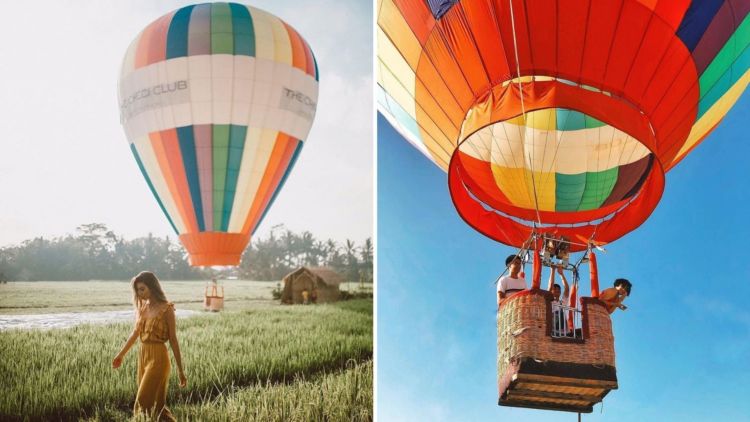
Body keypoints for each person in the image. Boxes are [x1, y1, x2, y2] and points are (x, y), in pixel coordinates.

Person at [112, 271, 187, 421]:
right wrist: (121, 354)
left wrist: (180, 370)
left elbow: (173, 340)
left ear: (152, 287)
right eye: (137, 290)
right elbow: (135, 334)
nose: (139, 294)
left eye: (142, 289)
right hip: (143, 355)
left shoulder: (167, 309)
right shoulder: (143, 309)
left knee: (142, 403)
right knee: (158, 408)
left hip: (159, 357)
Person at [547, 266, 570, 336]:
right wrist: (553, 270)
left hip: (563, 332)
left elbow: (567, 289)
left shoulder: (562, 302)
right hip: (552, 330)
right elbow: (550, 287)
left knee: (560, 312)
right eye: (555, 290)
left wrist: (562, 275)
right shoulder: (549, 301)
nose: (557, 291)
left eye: (558, 290)